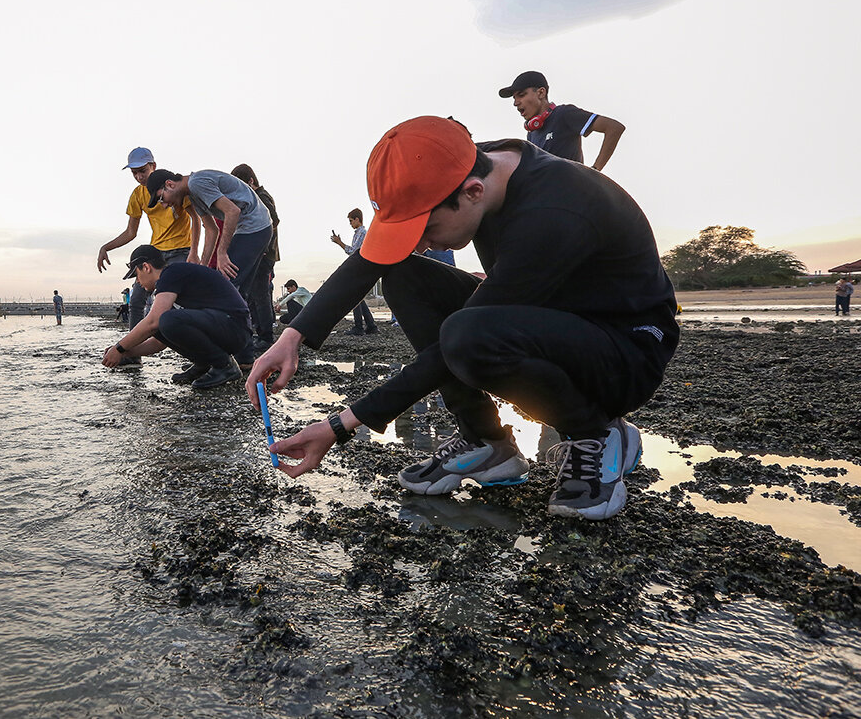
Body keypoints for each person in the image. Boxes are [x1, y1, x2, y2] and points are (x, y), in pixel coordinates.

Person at [248, 115, 678, 522]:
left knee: (467, 336)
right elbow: (369, 260)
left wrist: (339, 426)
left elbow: (450, 350)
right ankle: (486, 440)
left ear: (472, 192)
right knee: (400, 273)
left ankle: (597, 433)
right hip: (548, 318)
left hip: (624, 349)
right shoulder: (471, 165)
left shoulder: (555, 210)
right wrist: (292, 336)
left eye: (425, 230)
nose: (419, 244)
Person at [145, 168, 273, 360]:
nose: (164, 205)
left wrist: (222, 253)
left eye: (162, 198)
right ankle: (244, 357)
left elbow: (232, 211)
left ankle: (231, 355)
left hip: (254, 226)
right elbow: (211, 229)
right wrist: (201, 267)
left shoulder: (198, 183)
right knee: (238, 292)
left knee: (228, 288)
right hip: (252, 228)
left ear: (170, 184)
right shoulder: (194, 195)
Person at [97, 147, 201, 364]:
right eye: (134, 172)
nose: (138, 176)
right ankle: (131, 353)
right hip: (155, 254)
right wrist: (106, 247)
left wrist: (194, 252)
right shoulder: (137, 195)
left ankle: (197, 355)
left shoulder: (172, 184)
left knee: (180, 304)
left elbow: (196, 219)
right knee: (136, 300)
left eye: (142, 170)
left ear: (153, 165)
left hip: (181, 250)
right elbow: (130, 232)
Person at [101, 244, 251, 389]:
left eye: (137, 275)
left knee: (165, 320)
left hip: (235, 327)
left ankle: (224, 366)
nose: (138, 282)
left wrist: (119, 347)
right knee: (163, 323)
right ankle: (204, 364)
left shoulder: (171, 273)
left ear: (146, 267)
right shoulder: (171, 284)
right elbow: (159, 342)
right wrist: (126, 353)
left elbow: (153, 322)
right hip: (225, 327)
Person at [499, 71, 625, 171]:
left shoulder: (563, 114)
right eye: (514, 98)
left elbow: (614, 128)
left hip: (570, 198)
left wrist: (595, 171)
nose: (516, 103)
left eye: (521, 95)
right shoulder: (532, 134)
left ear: (541, 93)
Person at [231, 164, 280, 348]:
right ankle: (259, 332)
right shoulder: (257, 196)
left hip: (263, 253)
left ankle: (266, 337)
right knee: (252, 295)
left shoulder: (262, 197)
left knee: (260, 295)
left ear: (251, 181)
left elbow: (273, 220)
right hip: (259, 252)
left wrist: (262, 244)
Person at [330, 209, 379, 335]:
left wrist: (339, 243)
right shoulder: (359, 232)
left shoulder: (362, 232)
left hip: (360, 268)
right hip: (361, 267)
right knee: (358, 297)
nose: (350, 224)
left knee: (354, 296)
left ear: (357, 219)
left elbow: (353, 252)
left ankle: (358, 327)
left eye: (351, 221)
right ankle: (371, 325)